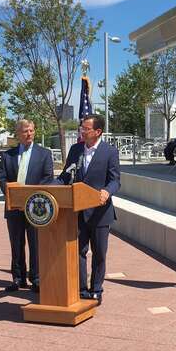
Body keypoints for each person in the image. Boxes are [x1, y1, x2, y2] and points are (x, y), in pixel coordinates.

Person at [58, 114, 120, 304]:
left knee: (99, 253)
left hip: (100, 212)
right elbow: (65, 176)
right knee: (79, 252)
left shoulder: (110, 152)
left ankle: (96, 289)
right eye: (81, 128)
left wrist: (107, 192)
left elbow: (115, 180)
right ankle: (81, 288)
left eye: (86, 129)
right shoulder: (76, 149)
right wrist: (49, 187)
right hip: (78, 211)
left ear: (97, 131)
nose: (82, 131)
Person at [0, 119, 54, 293]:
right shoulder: (8, 156)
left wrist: (30, 198)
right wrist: (13, 197)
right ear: (18, 134)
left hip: (36, 208)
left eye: (31, 130)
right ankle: (18, 278)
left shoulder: (44, 154)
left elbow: (48, 178)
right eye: (25, 131)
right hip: (14, 207)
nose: (29, 134)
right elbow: (3, 179)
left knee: (35, 244)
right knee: (16, 244)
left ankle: (36, 278)